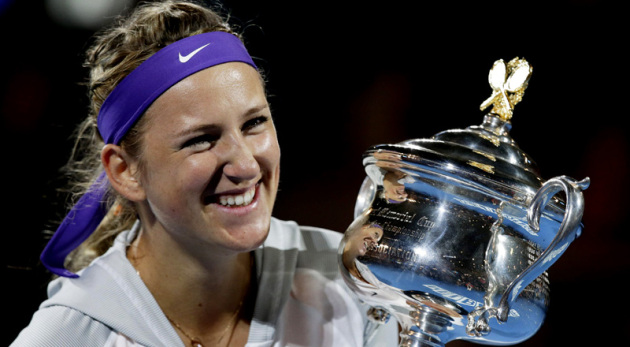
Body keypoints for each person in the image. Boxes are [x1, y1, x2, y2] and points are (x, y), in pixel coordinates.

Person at [11, 1, 397, 346]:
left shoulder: (355, 284)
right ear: (126, 170)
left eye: (254, 123)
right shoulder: (66, 336)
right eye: (201, 139)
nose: (246, 165)